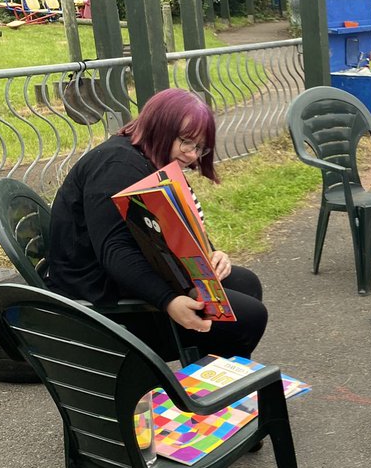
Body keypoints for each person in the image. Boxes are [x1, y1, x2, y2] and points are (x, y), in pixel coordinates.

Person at [46, 88, 267, 360]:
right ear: (160, 127)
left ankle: (206, 380)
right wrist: (168, 300)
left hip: (131, 273)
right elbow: (116, 250)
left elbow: (177, 223)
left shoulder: (149, 158)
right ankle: (202, 392)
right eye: (186, 142)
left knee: (245, 283)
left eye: (199, 147)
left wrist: (212, 253)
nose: (192, 155)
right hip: (105, 298)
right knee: (247, 319)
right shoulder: (117, 166)